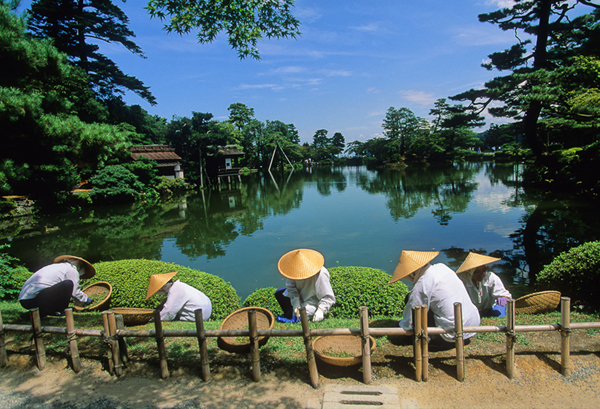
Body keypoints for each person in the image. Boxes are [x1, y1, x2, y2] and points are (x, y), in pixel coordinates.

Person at [389, 250, 480, 350]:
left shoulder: (422, 282)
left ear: (411, 273)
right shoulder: (442, 267)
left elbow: (412, 314)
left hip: (451, 334)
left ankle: (433, 339)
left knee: (410, 300)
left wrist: (402, 327)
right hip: (472, 325)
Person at [19, 255, 95, 317]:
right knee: (68, 284)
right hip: (33, 299)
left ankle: (45, 310)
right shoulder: (71, 270)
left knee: (66, 285)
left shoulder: (58, 267)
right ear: (81, 264)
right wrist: (87, 300)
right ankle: (58, 311)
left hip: (25, 300)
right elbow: (75, 291)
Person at [274, 249, 335, 323]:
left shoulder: (321, 274)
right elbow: (291, 287)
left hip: (313, 300)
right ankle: (290, 314)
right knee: (279, 293)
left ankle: (295, 318)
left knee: (304, 313)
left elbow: (328, 297)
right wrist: (296, 303)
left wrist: (321, 310)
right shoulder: (293, 269)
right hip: (300, 295)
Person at [457, 252, 512, 318]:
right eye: (477, 272)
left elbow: (504, 295)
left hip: (491, 309)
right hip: (471, 311)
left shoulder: (491, 277)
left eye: (483, 271)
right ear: (471, 273)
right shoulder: (463, 280)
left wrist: (503, 298)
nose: (481, 274)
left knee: (500, 311)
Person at [146, 271, 212, 321]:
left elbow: (169, 312)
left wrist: (153, 319)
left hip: (198, 316)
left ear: (162, 288)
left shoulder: (176, 289)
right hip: (205, 312)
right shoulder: (179, 285)